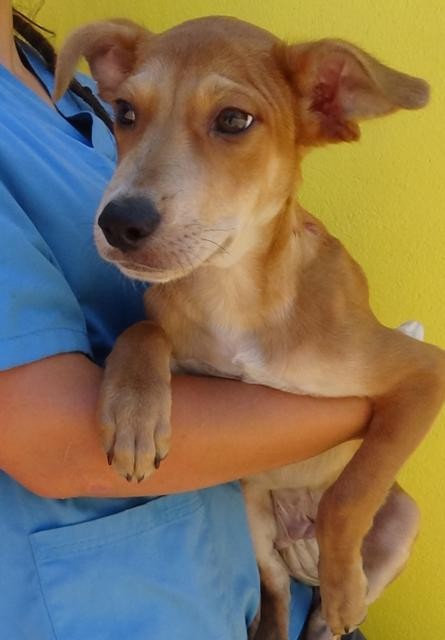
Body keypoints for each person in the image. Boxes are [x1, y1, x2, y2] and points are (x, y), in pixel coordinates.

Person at [0, 3, 371, 638]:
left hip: (253, 590)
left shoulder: (105, 95)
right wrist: (371, 400)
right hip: (112, 611)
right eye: (129, 114)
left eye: (230, 121)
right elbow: (49, 441)